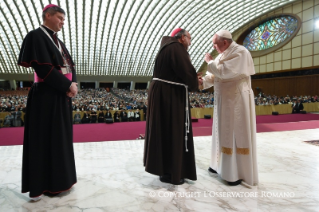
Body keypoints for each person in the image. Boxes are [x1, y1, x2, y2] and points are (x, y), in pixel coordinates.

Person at [17, 4, 78, 200]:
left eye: (63, 19)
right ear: (48, 15)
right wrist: (67, 86)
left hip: (60, 95)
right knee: (45, 139)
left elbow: (69, 64)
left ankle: (61, 180)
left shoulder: (57, 41)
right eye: (60, 18)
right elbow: (43, 69)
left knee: (60, 138)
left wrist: (73, 83)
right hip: (45, 96)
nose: (62, 22)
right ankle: (45, 184)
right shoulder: (36, 36)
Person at [198, 29, 258, 186]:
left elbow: (225, 73)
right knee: (221, 132)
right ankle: (218, 165)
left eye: (215, 44)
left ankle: (235, 173)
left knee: (233, 132)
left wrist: (209, 62)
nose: (214, 47)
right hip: (223, 99)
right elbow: (214, 76)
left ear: (225, 42)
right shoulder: (222, 55)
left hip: (236, 99)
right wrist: (202, 82)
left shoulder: (240, 52)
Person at [144, 28, 198, 185]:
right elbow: (187, 72)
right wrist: (195, 81)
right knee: (172, 131)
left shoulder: (167, 46)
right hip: (169, 96)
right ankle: (172, 171)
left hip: (163, 93)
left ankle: (164, 169)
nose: (190, 42)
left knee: (164, 132)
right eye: (190, 38)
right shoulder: (176, 48)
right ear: (182, 38)